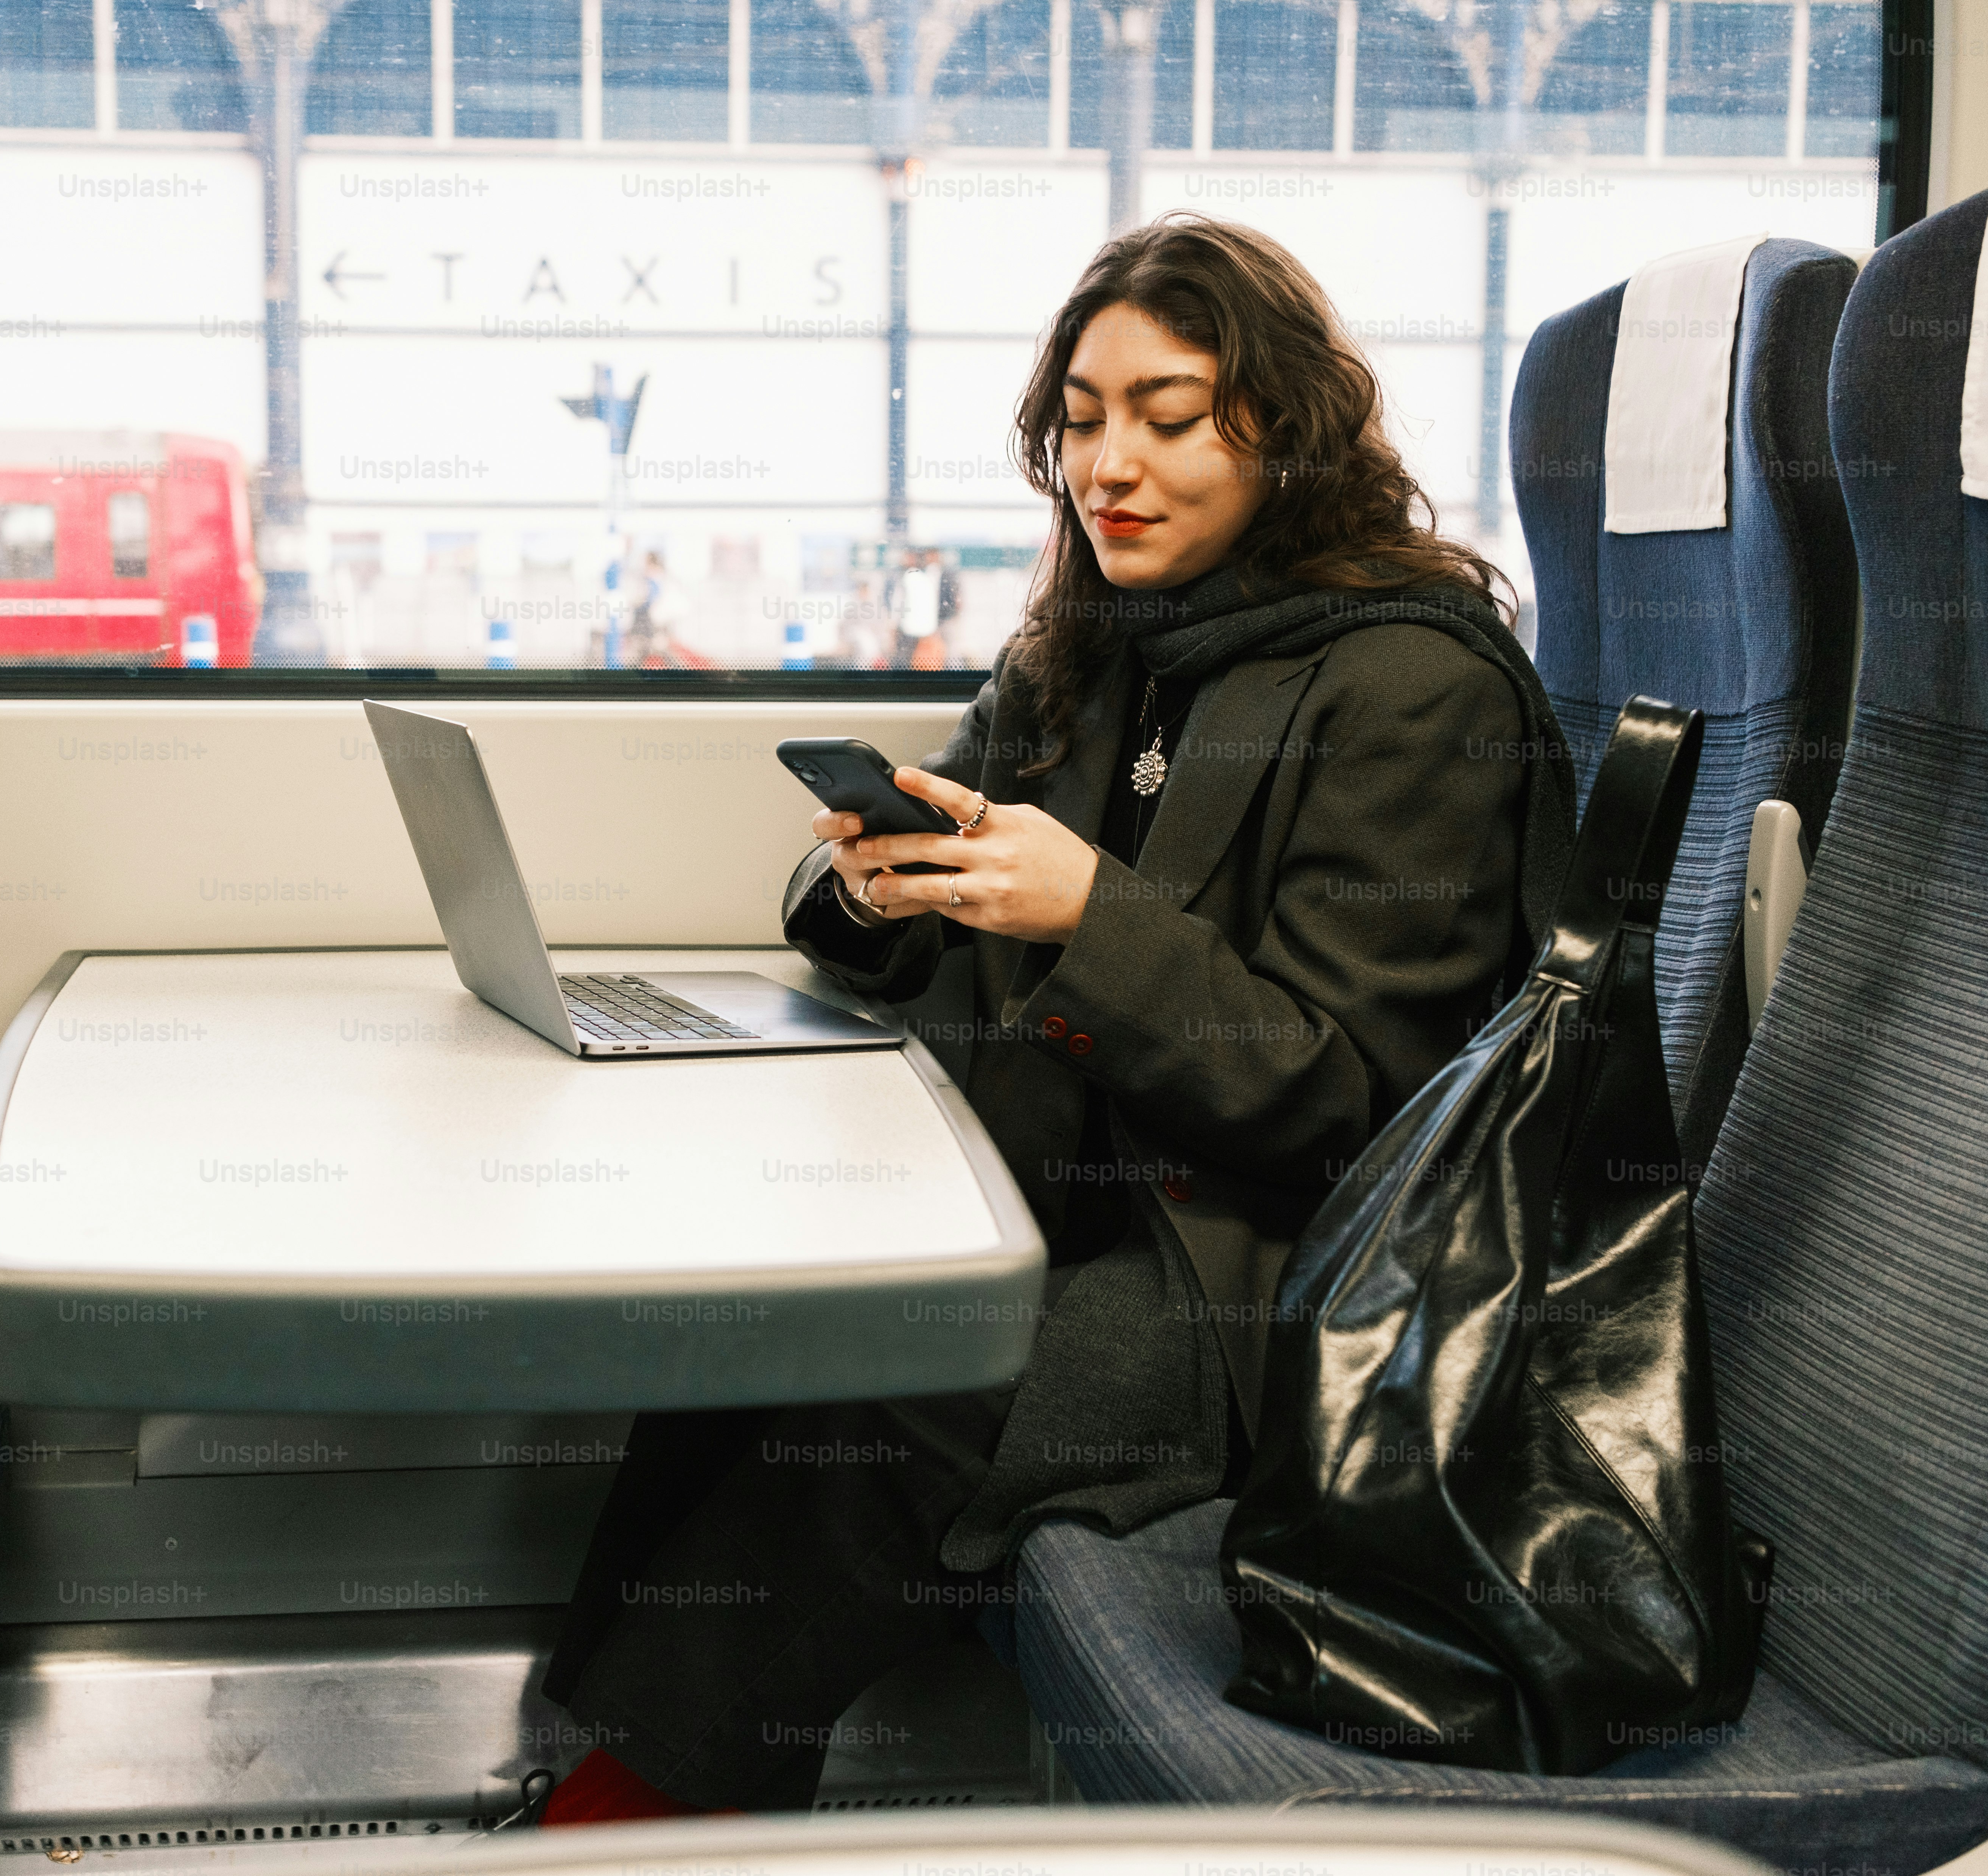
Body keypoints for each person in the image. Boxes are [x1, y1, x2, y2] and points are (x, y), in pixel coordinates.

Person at [536, 213, 1577, 1824]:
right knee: (745, 1334)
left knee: (890, 1387)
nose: (1111, 465)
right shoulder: (1086, 651)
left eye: (1168, 417)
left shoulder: (1415, 687)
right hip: (1046, 1200)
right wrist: (879, 892)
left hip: (1259, 1286)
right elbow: (921, 871)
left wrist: (1094, 917)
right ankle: (604, 1792)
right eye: (1081, 421)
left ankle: (619, 1827)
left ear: (1287, 430)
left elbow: (1357, 1108)